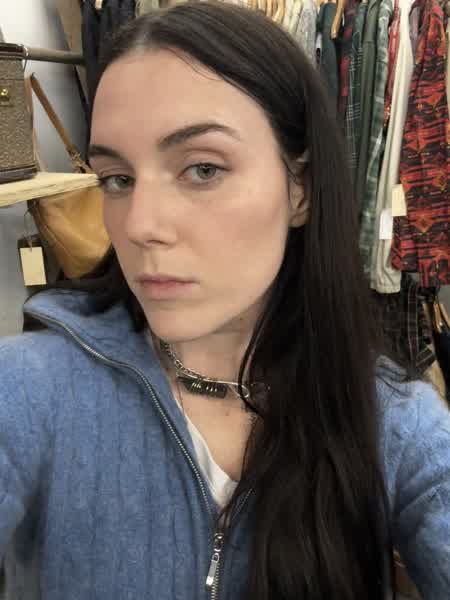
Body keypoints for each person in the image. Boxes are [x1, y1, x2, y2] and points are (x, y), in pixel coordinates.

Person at [1, 2, 449, 599]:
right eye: (118, 179)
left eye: (202, 169)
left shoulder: (392, 420)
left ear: (300, 190)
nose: (140, 225)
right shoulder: (31, 388)